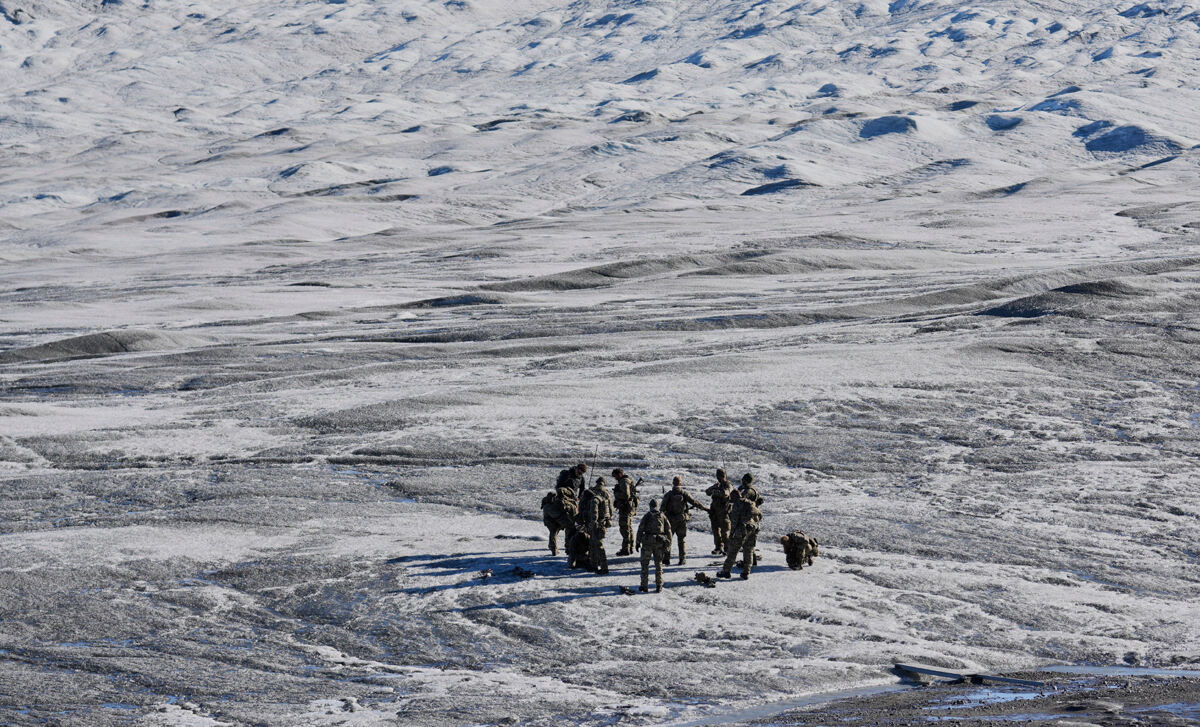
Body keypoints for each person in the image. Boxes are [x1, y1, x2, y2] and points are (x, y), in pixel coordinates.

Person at [660, 476, 709, 566]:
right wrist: (705, 509)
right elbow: (695, 502)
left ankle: (666, 559)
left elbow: (662, 508)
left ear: (673, 483)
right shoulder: (684, 493)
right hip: (682, 520)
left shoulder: (668, 494)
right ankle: (682, 559)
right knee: (681, 540)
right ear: (680, 483)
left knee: (668, 539)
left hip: (670, 521)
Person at [717, 489, 762, 580]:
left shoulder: (737, 505)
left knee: (733, 551)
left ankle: (726, 571)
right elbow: (759, 514)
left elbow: (734, 522)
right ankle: (746, 572)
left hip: (741, 530)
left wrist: (732, 534)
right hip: (752, 529)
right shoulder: (750, 502)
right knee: (748, 551)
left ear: (734, 497)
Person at [636, 498, 672, 593]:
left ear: (650, 506)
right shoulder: (662, 516)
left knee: (645, 565)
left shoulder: (647, 516)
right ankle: (659, 585)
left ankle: (644, 586)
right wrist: (668, 544)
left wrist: (637, 542)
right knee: (658, 564)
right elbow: (668, 530)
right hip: (659, 543)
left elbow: (640, 529)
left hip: (647, 543)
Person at [540, 481, 578, 556]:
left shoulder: (547, 503)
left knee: (553, 532)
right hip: (558, 518)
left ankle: (553, 549)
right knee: (569, 528)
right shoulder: (562, 501)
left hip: (550, 519)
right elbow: (572, 512)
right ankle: (568, 547)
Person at [585, 476, 614, 574]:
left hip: (595, 522)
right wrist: (609, 518)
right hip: (602, 522)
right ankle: (594, 565)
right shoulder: (606, 493)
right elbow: (610, 508)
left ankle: (602, 567)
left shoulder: (592, 491)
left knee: (596, 544)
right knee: (595, 543)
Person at [705, 469, 734, 555]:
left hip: (724, 512)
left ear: (724, 476)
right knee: (716, 531)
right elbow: (707, 492)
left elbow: (726, 493)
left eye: (720, 476)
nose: (718, 478)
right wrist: (714, 488)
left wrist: (716, 491)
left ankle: (727, 548)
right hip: (714, 512)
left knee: (725, 532)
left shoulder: (728, 485)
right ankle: (718, 547)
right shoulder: (717, 485)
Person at [611, 468, 639, 555]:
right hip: (629, 507)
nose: (615, 478)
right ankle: (630, 547)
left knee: (624, 528)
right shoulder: (626, 480)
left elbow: (626, 495)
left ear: (619, 474)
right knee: (628, 527)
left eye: (615, 476)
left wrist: (616, 493)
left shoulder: (624, 481)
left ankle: (626, 549)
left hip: (626, 508)